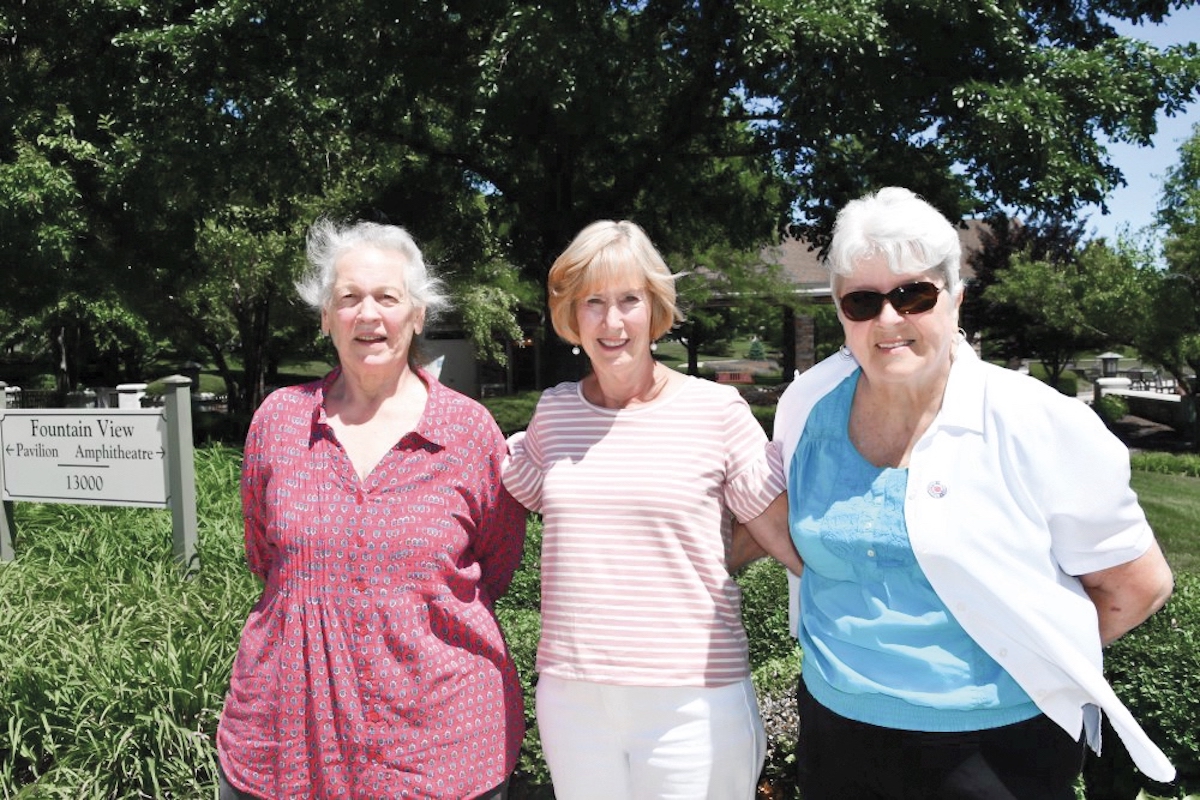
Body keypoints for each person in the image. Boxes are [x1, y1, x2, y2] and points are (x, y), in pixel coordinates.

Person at [770, 187, 1176, 798]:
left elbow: (1137, 586)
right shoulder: (805, 407)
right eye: (862, 300)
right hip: (837, 729)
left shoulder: (1037, 421)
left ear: (955, 298)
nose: (888, 319)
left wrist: (1032, 651)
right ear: (840, 312)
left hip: (996, 747)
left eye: (914, 295)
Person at [216, 219, 527, 800]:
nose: (368, 315)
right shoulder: (279, 421)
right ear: (325, 318)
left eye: (388, 297)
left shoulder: (467, 432)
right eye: (349, 298)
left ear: (417, 315)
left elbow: (495, 564)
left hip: (440, 743)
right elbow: (266, 556)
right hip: (288, 736)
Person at [502, 219, 802, 800]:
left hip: (692, 702)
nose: (612, 322)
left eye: (628, 301)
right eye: (593, 302)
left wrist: (710, 561)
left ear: (655, 310)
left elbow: (783, 534)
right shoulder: (555, 413)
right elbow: (498, 483)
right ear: (571, 316)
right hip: (573, 701)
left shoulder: (716, 411)